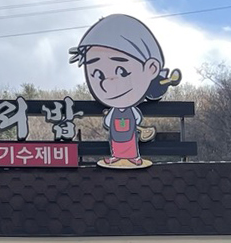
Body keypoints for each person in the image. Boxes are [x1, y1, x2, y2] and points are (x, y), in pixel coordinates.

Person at [70, 14, 181, 170]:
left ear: (151, 68)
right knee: (118, 145)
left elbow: (132, 120)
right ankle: (116, 157)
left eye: (122, 71)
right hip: (116, 137)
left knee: (130, 145)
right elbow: (108, 123)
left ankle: (133, 158)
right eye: (98, 74)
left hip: (129, 137)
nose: (107, 83)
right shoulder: (114, 112)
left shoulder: (132, 111)